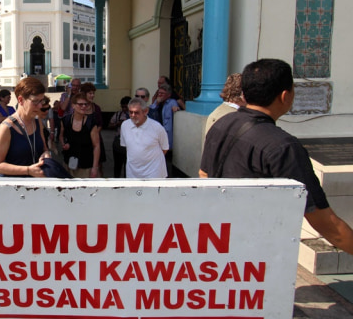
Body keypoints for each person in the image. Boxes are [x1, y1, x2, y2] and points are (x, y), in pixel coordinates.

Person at [200, 58, 353, 255]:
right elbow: (327, 224)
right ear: (285, 96)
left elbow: (203, 174)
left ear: (245, 93)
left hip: (219, 238)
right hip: (257, 250)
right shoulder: (283, 147)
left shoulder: (221, 124)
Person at [0, 77, 51, 177]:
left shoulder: (37, 121)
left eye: (42, 101)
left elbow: (44, 148)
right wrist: (28, 170)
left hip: (37, 185)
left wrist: (46, 154)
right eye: (35, 101)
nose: (40, 106)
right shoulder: (7, 127)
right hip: (15, 187)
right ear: (21, 100)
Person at [120, 97, 169, 178]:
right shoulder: (125, 126)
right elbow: (127, 147)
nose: (133, 115)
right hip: (133, 174)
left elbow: (165, 149)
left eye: (136, 113)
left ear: (145, 111)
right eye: (130, 112)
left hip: (154, 173)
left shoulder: (157, 127)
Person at [59, 93, 100, 178]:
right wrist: (63, 144)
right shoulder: (66, 120)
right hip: (69, 163)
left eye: (86, 104)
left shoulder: (91, 122)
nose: (83, 106)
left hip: (86, 165)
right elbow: (61, 135)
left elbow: (96, 146)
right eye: (80, 104)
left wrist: (95, 167)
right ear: (73, 106)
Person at [80, 82, 105, 176]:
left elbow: (100, 124)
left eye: (93, 93)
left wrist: (93, 134)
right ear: (84, 94)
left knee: (99, 166)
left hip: (96, 140)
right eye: (90, 93)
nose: (92, 95)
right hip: (83, 142)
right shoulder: (79, 108)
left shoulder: (96, 108)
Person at [109, 96, 131, 178]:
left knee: (128, 165)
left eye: (126, 107)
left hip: (130, 143)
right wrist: (117, 124)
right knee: (117, 164)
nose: (124, 109)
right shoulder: (118, 114)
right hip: (118, 141)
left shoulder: (134, 115)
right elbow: (110, 125)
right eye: (123, 107)